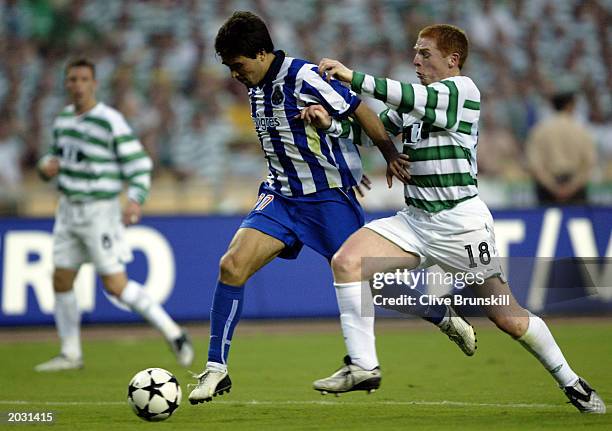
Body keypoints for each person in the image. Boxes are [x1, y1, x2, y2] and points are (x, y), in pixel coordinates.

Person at [306, 24, 605, 413]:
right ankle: (363, 365)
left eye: (425, 53)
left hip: (459, 223)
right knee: (346, 263)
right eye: (415, 52)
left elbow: (408, 96)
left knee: (508, 318)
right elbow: (369, 133)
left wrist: (354, 77)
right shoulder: (416, 103)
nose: (416, 59)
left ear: (453, 60)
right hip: (414, 220)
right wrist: (328, 123)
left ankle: (572, 382)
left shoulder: (462, 91)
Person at [187, 11, 475, 405]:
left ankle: (441, 316)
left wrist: (388, 154)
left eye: (237, 66)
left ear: (260, 53)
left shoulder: (304, 77)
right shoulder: (255, 86)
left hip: (327, 199)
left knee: (377, 283)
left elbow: (359, 111)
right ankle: (216, 370)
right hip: (281, 196)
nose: (234, 75)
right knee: (231, 266)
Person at [35, 58, 194, 372]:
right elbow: (53, 159)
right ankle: (70, 353)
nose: (77, 85)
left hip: (99, 210)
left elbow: (139, 164)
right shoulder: (63, 120)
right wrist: (44, 168)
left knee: (115, 285)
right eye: (72, 79)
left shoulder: (110, 120)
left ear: (94, 83)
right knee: (61, 278)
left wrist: (135, 199)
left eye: (83, 79)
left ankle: (175, 333)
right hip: (67, 209)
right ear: (66, 84)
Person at [526, 91, 596, 205]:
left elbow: (535, 165)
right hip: (575, 189)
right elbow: (589, 164)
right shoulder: (581, 131)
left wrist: (553, 187)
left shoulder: (540, 131)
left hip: (547, 189)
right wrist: (571, 188)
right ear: (570, 105)